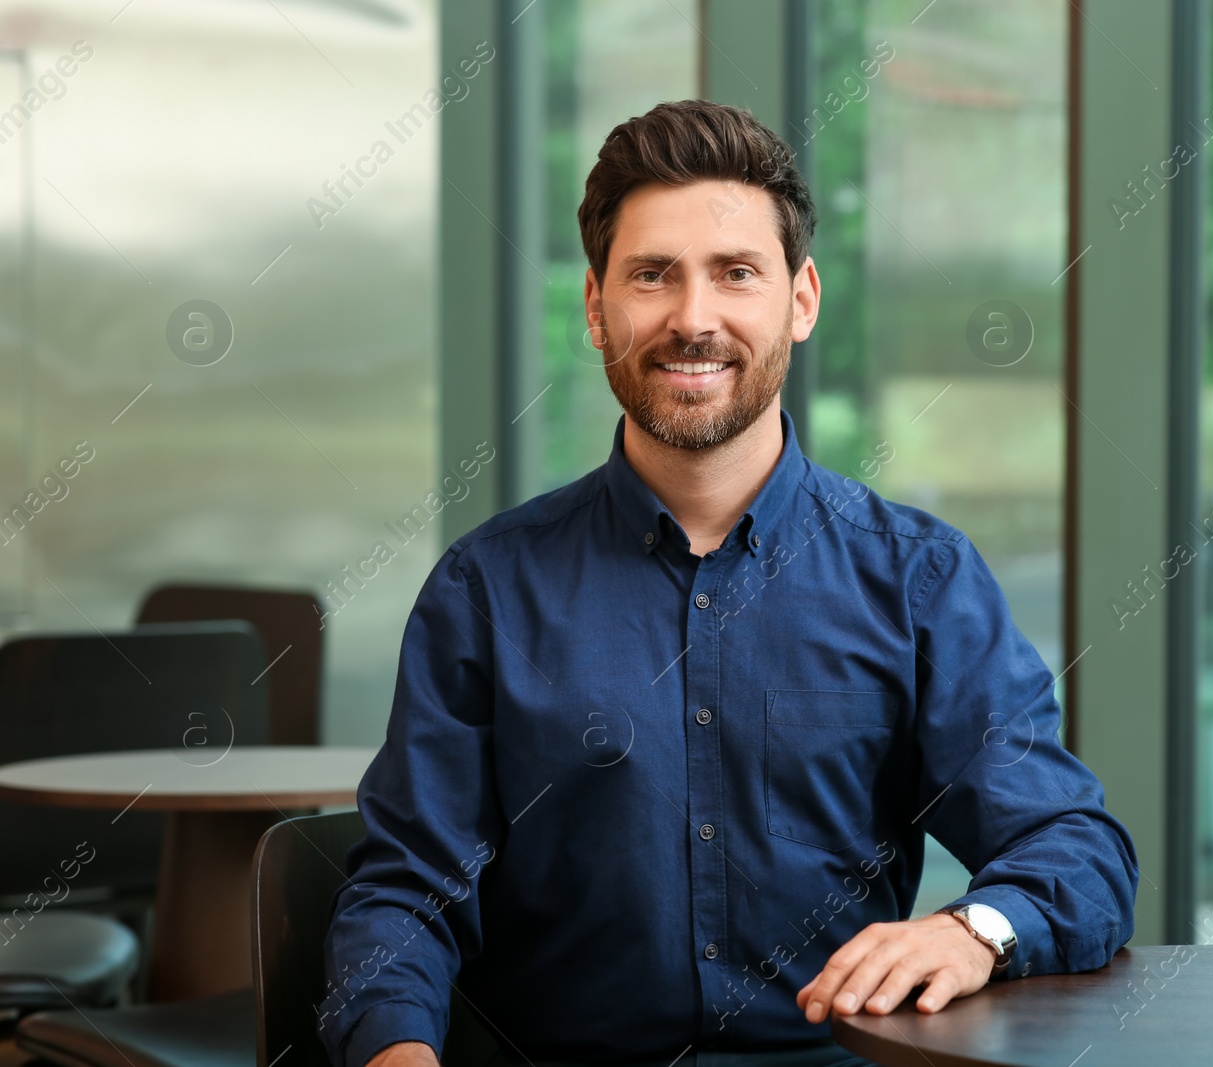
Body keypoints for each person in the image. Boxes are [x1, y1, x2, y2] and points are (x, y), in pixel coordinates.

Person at [318, 98, 1138, 1067]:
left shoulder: (918, 577)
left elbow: (1075, 849)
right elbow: (405, 890)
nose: (692, 318)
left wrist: (969, 932)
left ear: (800, 299)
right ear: (595, 305)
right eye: (651, 275)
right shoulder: (486, 587)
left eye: (736, 273)